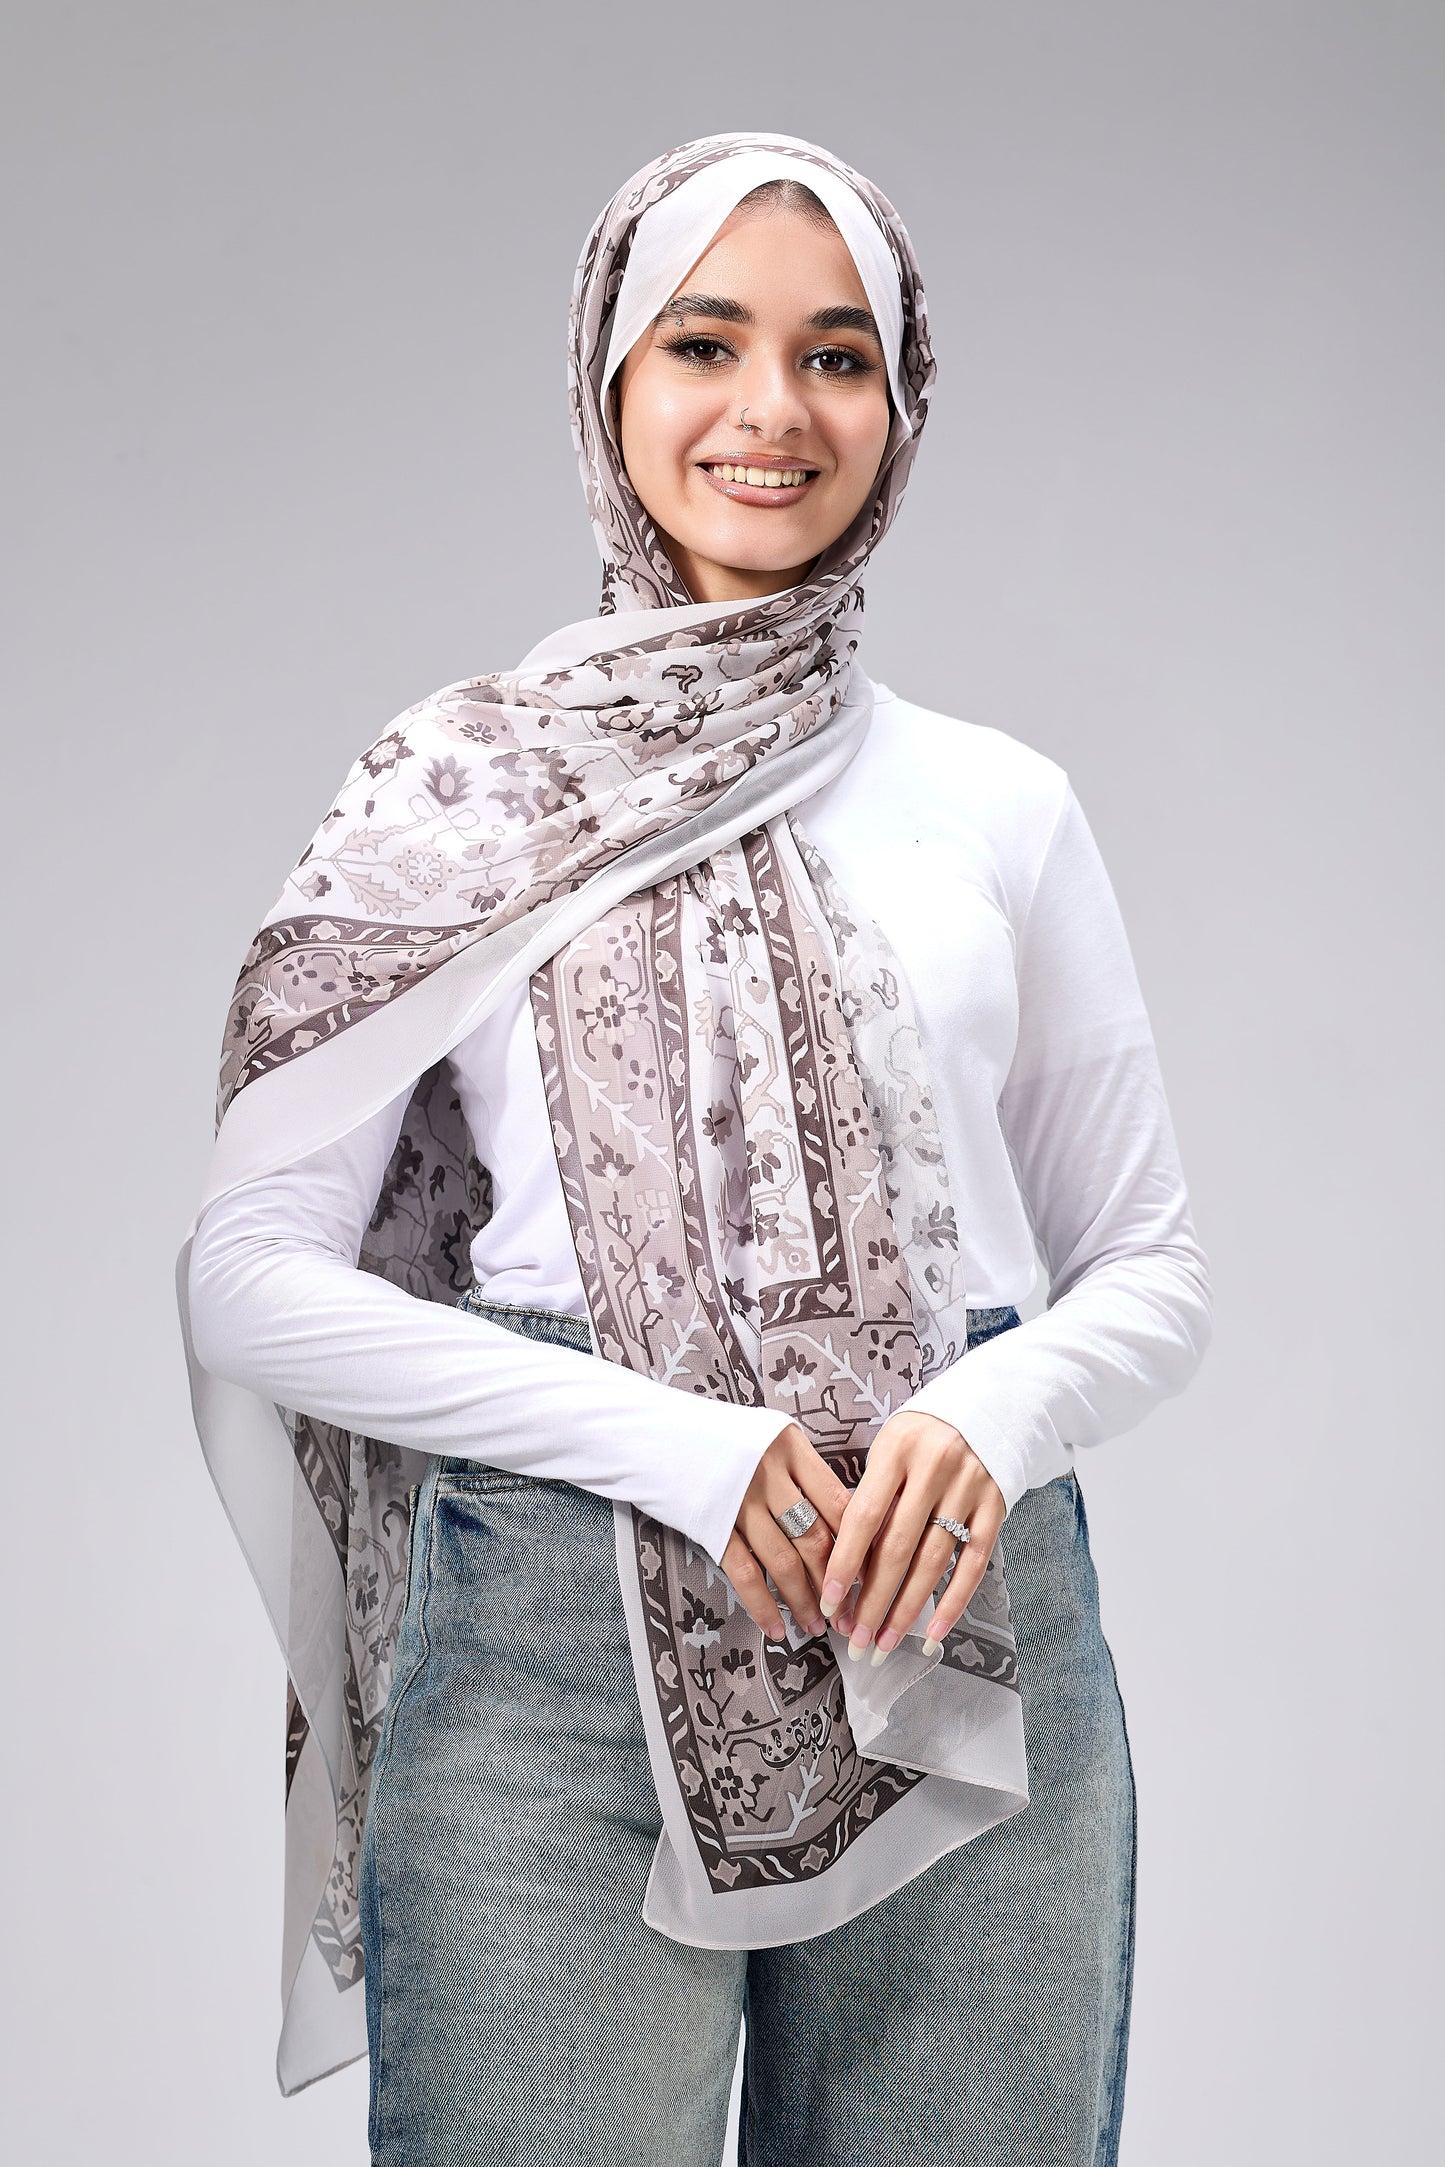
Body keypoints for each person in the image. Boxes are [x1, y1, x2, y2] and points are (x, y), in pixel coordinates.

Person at [179, 132, 1212, 2166]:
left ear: (899, 401)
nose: (771, 410)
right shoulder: (460, 790)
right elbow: (248, 1276)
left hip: (962, 1612)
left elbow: (1152, 1267)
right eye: (706, 341)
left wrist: (991, 1407)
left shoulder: (998, 803)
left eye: (837, 355)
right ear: (610, 378)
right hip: (552, 1645)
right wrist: (690, 1451)